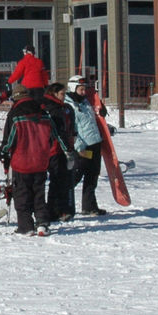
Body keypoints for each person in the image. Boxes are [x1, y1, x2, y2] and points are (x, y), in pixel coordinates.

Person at [0, 81, 70, 236]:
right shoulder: (43, 112)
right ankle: (42, 223)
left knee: (22, 195)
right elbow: (57, 135)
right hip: (41, 160)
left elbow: (9, 140)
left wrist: (1, 153)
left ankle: (26, 226)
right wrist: (68, 150)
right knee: (39, 193)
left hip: (22, 162)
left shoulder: (15, 114)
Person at [64, 75, 107, 215]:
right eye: (81, 89)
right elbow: (70, 127)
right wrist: (78, 145)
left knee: (92, 175)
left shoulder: (85, 102)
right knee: (75, 176)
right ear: (72, 88)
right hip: (82, 147)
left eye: (84, 89)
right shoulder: (68, 105)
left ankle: (89, 206)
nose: (84, 92)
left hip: (94, 143)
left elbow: (91, 121)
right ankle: (62, 205)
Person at [42, 82, 77, 221]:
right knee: (56, 179)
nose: (64, 97)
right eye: (62, 94)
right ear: (54, 94)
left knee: (64, 179)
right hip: (55, 148)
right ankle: (53, 210)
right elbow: (57, 131)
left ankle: (62, 208)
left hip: (65, 147)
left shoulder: (65, 107)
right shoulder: (51, 108)